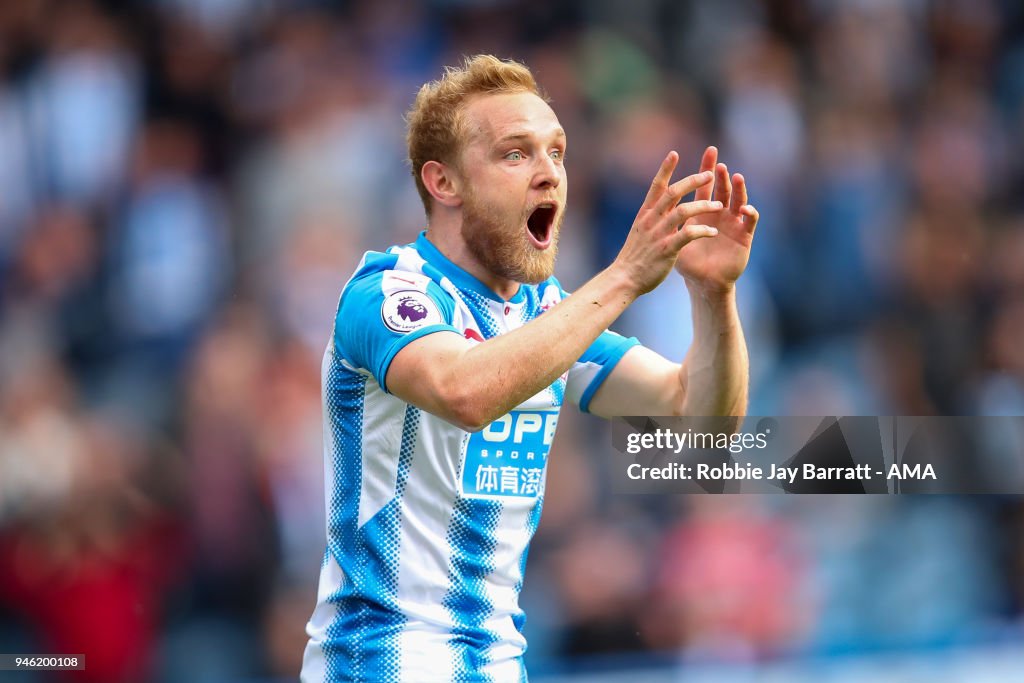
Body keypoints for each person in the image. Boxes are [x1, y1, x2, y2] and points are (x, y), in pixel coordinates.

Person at [300, 54, 759, 682]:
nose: (548, 174)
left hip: (498, 663)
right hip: (382, 662)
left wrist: (714, 296)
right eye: (516, 154)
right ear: (444, 183)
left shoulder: (547, 315)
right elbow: (464, 390)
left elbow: (700, 426)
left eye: (557, 153)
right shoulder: (385, 295)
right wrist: (625, 276)